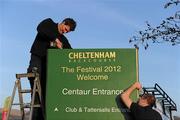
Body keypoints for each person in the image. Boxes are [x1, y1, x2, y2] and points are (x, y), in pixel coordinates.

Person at [27, 18, 76, 120]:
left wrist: (62, 49)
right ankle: (35, 117)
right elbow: (40, 28)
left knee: (45, 92)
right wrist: (55, 39)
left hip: (47, 66)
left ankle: (43, 117)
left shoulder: (63, 39)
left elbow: (71, 53)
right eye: (65, 29)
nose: (65, 32)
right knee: (36, 83)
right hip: (38, 58)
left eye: (67, 32)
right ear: (63, 23)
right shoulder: (49, 23)